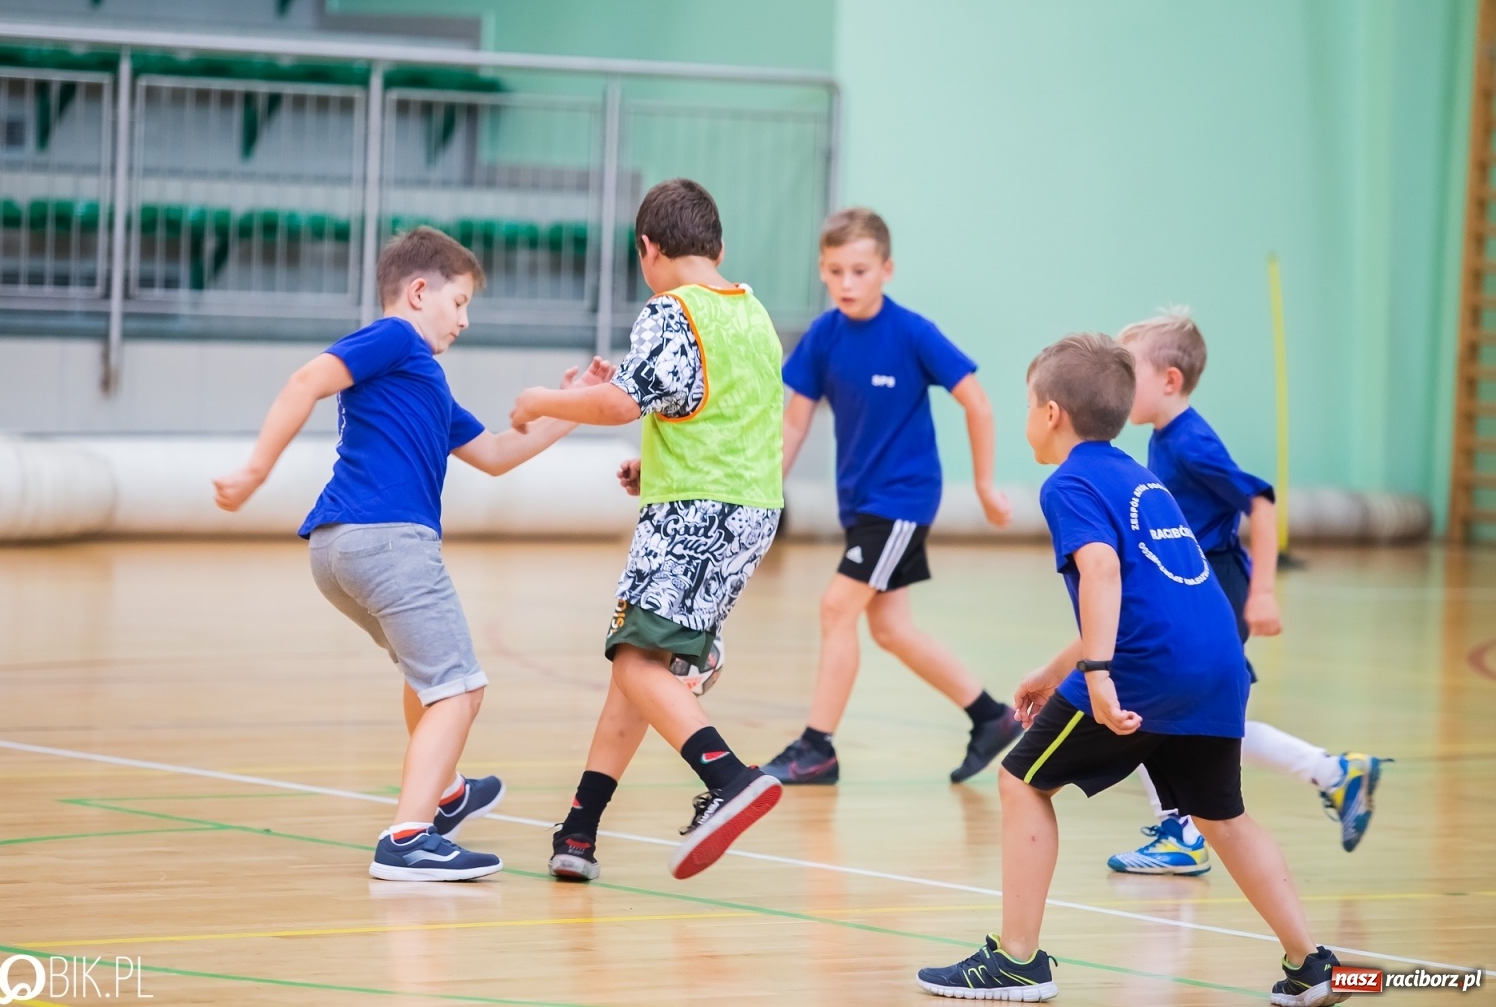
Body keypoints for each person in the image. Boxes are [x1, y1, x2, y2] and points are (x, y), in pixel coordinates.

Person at [915, 333, 1350, 1007]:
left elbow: (1103, 571)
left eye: (1028, 404)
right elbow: (1145, 595)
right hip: (1216, 664)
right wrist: (1053, 668)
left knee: (1021, 781)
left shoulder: (1070, 483)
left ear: (1052, 413)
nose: (1027, 417)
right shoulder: (1138, 476)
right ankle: (1312, 963)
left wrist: (1094, 674)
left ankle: (1018, 961)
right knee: (1222, 817)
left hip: (1147, 670)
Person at [214, 226, 611, 881]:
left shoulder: (422, 379)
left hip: (339, 550)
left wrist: (570, 407)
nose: (464, 319)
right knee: (461, 689)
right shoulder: (397, 339)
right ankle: (406, 836)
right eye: (458, 303)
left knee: (429, 678)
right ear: (419, 291)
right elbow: (306, 379)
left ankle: (447, 791)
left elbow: (496, 455)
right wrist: (256, 470)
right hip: (389, 540)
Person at [507, 178, 785, 882]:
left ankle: (729, 778)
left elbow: (619, 401)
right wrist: (652, 470)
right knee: (641, 673)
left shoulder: (671, 311)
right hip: (749, 510)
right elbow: (717, 416)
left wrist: (546, 398)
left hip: (693, 513)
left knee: (634, 662)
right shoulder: (752, 313)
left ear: (647, 250)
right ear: (718, 247)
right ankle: (579, 830)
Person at [1106, 311, 1386, 875]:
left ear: (1169, 381)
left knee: (1145, 706)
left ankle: (1181, 831)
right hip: (1193, 589)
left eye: (1127, 371)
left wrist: (1263, 593)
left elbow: (1260, 502)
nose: (1116, 385)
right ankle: (1332, 773)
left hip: (1215, 592)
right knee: (1197, 722)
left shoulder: (1190, 444)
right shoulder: (1165, 436)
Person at [758, 207, 1019, 786]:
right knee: (890, 629)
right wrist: (764, 486)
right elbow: (795, 421)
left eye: (859, 270)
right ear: (821, 272)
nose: (846, 283)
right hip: (862, 503)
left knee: (835, 607)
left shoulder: (913, 333)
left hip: (901, 500)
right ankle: (992, 718)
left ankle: (816, 748)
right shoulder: (823, 336)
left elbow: (977, 403)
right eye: (834, 271)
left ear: (886, 269)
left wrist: (983, 486)